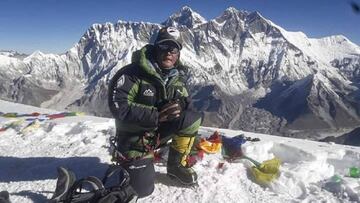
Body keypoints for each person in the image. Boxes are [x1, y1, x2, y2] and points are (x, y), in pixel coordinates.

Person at [108, 26, 202, 197]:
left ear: (178, 53)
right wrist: (156, 115)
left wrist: (180, 105)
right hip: (135, 139)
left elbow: (187, 106)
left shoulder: (177, 78)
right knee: (141, 190)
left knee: (192, 119)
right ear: (155, 48)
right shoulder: (131, 74)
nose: (169, 52)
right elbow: (118, 106)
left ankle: (175, 167)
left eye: (173, 48)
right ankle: (132, 160)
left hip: (157, 135)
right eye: (164, 46)